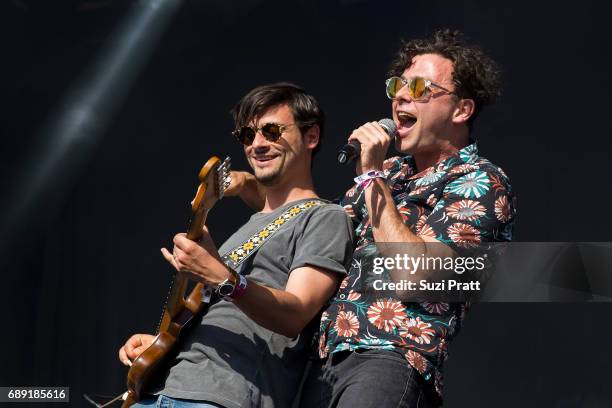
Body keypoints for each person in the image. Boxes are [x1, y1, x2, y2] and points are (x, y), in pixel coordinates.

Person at [229, 29, 517, 407]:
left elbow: (415, 274)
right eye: (398, 85)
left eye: (419, 88)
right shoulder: (391, 172)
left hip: (389, 358)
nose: (400, 96)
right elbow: (318, 230)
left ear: (461, 110)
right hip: (321, 364)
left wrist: (371, 176)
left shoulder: (480, 181)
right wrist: (252, 189)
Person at [118, 83, 354, 408]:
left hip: (225, 397)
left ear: (311, 137)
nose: (257, 144)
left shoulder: (326, 217)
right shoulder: (253, 225)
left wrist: (220, 276)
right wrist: (162, 344)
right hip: (165, 389)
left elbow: (295, 313)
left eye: (271, 131)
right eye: (247, 136)